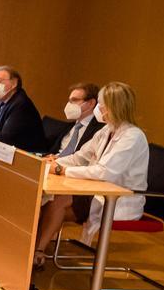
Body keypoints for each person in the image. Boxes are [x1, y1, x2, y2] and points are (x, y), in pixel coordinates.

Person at [37, 81, 150, 254]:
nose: (98, 108)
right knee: (46, 203)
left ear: (114, 107)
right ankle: (35, 250)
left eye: (101, 105)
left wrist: (63, 170)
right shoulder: (106, 130)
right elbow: (80, 157)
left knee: (57, 202)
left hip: (118, 199)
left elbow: (104, 172)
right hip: (95, 192)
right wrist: (55, 163)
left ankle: (38, 252)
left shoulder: (132, 137)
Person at [0, 65, 47, 153]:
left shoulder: (21, 104)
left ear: (14, 83)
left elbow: (6, 138)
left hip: (26, 155)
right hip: (2, 151)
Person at [52, 82, 104, 157]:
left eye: (74, 100)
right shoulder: (69, 125)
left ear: (91, 103)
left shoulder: (101, 129)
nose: (69, 104)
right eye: (69, 101)